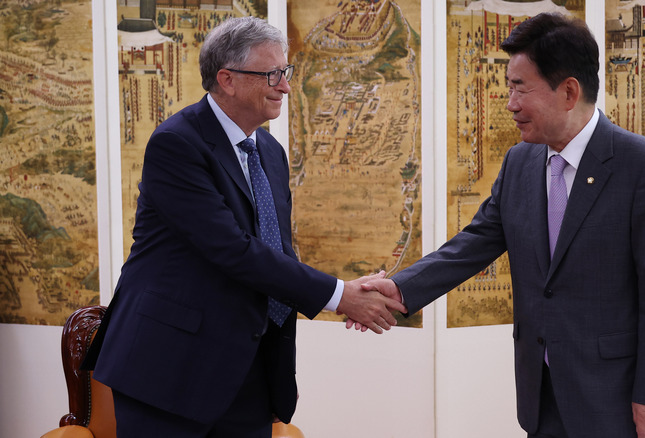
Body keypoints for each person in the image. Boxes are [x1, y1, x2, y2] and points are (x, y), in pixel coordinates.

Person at [357, 12, 645, 438]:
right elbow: (475, 242)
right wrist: (401, 289)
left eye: (520, 88)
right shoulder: (520, 161)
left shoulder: (643, 166)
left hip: (617, 400)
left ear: (569, 92)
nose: (510, 103)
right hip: (541, 395)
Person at [83, 17, 405, 437]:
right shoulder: (176, 144)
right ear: (227, 80)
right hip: (168, 372)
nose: (284, 86)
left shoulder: (269, 151)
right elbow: (232, 249)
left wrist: (343, 296)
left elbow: (276, 252)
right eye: (271, 74)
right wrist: (340, 295)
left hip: (248, 372)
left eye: (285, 72)